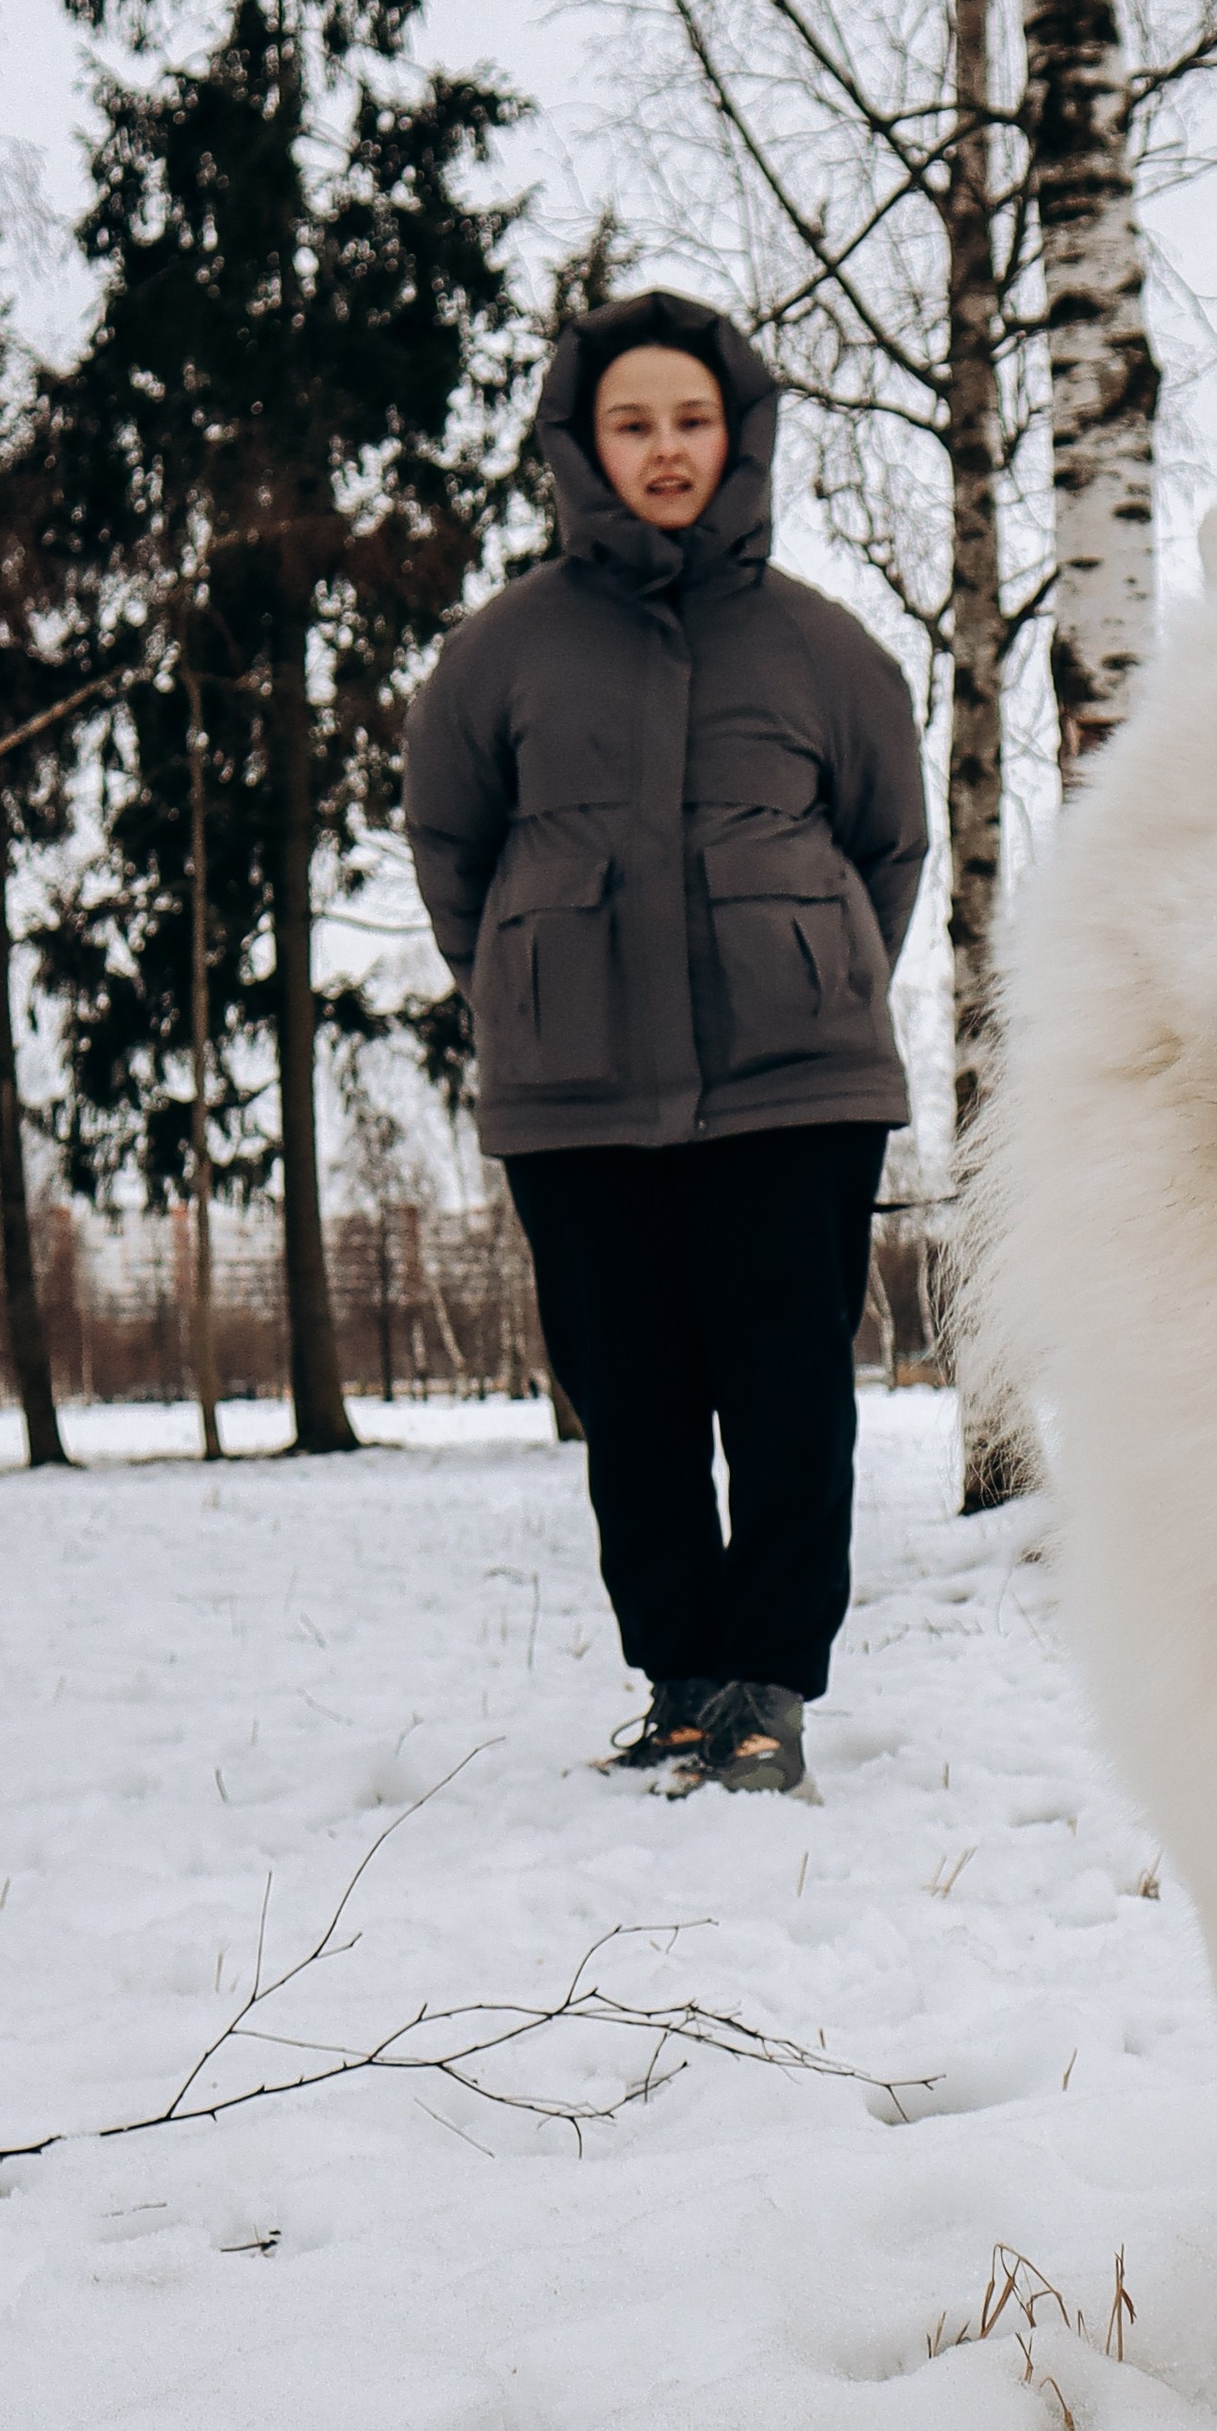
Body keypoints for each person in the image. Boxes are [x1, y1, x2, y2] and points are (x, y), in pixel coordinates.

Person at [404, 289, 929, 1793]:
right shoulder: (500, 651)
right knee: (630, 1404)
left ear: (737, 431)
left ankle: (769, 1689)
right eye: (633, 422)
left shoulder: (826, 651)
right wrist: (527, 981)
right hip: (575, 1103)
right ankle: (683, 1681)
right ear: (585, 441)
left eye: (691, 419)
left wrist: (807, 970)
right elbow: (453, 846)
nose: (665, 448)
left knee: (787, 1400)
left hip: (794, 1090)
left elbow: (888, 845)